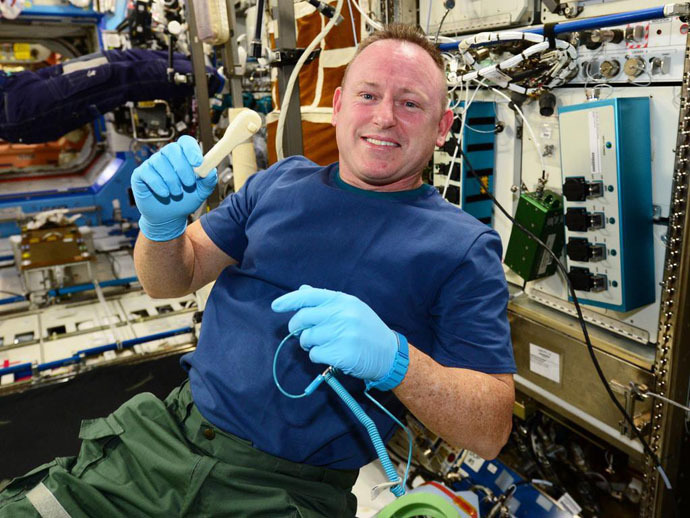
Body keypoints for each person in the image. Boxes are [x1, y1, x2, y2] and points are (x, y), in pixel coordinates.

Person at [0, 24, 515, 517]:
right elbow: (169, 280)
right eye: (367, 95)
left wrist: (398, 362)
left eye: (410, 104)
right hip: (159, 442)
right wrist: (160, 227)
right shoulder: (281, 181)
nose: (383, 117)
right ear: (337, 107)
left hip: (284, 491)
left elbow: (489, 429)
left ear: (443, 128)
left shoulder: (463, 246)